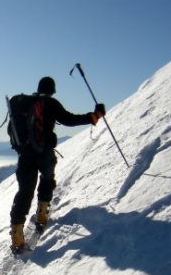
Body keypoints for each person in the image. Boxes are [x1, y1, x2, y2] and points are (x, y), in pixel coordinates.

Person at [10, 76, 105, 250]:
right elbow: (69, 119)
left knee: (24, 191)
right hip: (45, 152)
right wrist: (95, 116)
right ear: (52, 90)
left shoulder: (23, 104)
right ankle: (42, 214)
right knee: (47, 179)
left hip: (24, 155)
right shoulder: (51, 104)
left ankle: (16, 234)